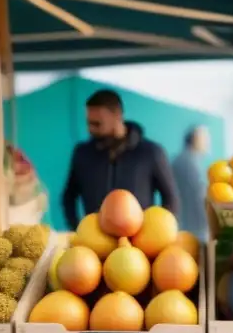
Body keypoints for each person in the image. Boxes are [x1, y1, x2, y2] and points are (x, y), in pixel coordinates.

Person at [61, 89, 178, 229]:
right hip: (95, 245)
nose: (90, 129)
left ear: (117, 116)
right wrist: (77, 230)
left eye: (97, 124)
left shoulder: (151, 152)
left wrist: (159, 234)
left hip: (139, 246)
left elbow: (170, 198)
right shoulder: (82, 153)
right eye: (89, 123)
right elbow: (68, 197)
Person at [171, 125, 209, 241]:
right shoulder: (191, 163)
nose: (207, 142)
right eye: (205, 138)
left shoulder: (178, 160)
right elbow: (200, 195)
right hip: (195, 230)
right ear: (195, 139)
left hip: (181, 227)